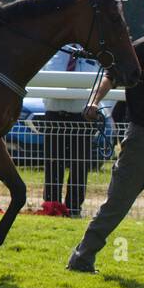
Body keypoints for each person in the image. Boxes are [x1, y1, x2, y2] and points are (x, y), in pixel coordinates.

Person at [67, 0, 144, 273]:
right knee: (117, 205)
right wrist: (94, 101)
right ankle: (82, 258)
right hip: (143, 144)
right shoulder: (140, 50)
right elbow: (111, 78)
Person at [40, 46, 102, 217]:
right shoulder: (56, 49)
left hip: (82, 118)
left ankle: (74, 209)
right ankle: (51, 207)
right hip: (54, 115)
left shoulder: (94, 52)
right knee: (53, 164)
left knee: (80, 165)